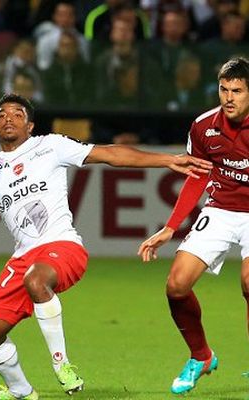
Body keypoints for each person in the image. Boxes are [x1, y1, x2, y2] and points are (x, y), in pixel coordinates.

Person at [0, 93, 212, 400]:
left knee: (36, 279)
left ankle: (62, 365)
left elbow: (110, 155)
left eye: (17, 114)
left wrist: (166, 159)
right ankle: (21, 390)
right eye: (2, 115)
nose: (8, 119)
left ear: (30, 125)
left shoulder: (50, 146)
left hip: (63, 246)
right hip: (23, 257)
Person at [138, 56, 249, 394]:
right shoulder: (203, 126)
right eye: (223, 89)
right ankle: (201, 356)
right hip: (220, 209)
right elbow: (196, 177)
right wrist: (171, 227)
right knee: (176, 285)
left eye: (238, 91)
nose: (229, 98)